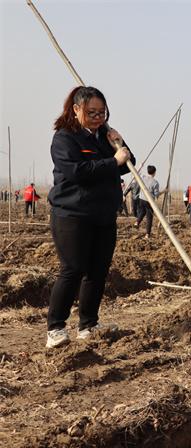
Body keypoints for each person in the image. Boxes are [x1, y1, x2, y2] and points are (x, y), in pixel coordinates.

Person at [46, 85, 135, 349]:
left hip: (104, 214)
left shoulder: (103, 137)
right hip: (73, 214)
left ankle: (88, 325)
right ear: (76, 110)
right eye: (91, 112)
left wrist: (120, 143)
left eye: (102, 113)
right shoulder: (64, 139)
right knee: (72, 269)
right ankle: (56, 328)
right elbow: (79, 172)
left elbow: (127, 163)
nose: (98, 118)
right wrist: (113, 161)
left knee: (97, 271)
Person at [135, 165, 159, 238]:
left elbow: (136, 174)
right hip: (149, 201)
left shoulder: (143, 178)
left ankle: (137, 222)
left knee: (142, 212)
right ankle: (147, 234)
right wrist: (164, 191)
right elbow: (156, 195)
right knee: (149, 218)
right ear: (154, 172)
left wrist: (140, 166)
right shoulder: (155, 182)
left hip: (141, 199)